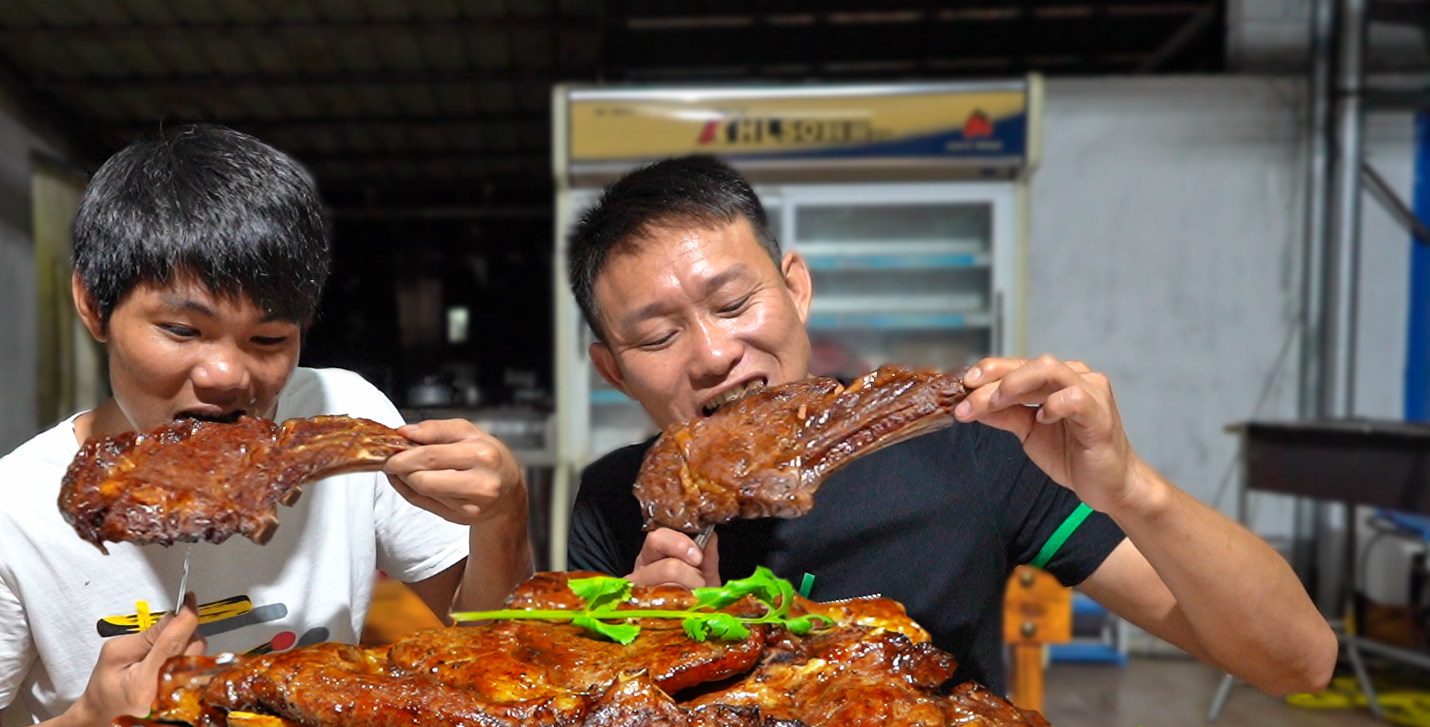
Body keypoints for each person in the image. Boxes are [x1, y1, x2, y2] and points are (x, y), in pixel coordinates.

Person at [566, 155, 1335, 696]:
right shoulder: (614, 501)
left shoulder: (975, 447)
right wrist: (652, 648)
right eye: (660, 336)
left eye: (735, 305)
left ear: (796, 289)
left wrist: (1134, 490)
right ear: (613, 370)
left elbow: (1298, 662)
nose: (713, 353)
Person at [0, 125, 532, 727]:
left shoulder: (343, 416)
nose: (226, 375)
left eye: (267, 338)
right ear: (94, 304)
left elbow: (495, 658)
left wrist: (503, 516)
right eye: (183, 330)